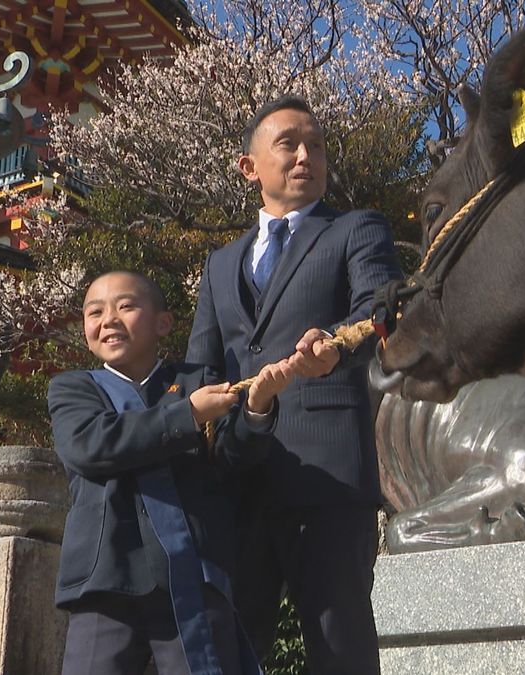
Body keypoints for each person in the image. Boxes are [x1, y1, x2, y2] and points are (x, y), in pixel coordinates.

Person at [186, 96, 403, 674]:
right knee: (232, 644)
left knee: (340, 645)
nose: (306, 155)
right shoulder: (219, 264)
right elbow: (202, 369)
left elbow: (382, 311)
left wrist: (333, 348)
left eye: (317, 144)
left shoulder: (357, 229)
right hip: (237, 478)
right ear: (248, 166)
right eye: (288, 143)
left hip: (328, 474)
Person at [49, 270, 294, 675]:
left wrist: (257, 409)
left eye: (125, 306)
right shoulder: (73, 389)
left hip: (194, 572)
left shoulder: (198, 382)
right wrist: (189, 414)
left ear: (163, 322)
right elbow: (92, 446)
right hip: (106, 572)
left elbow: (232, 459)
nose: (108, 319)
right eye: (95, 312)